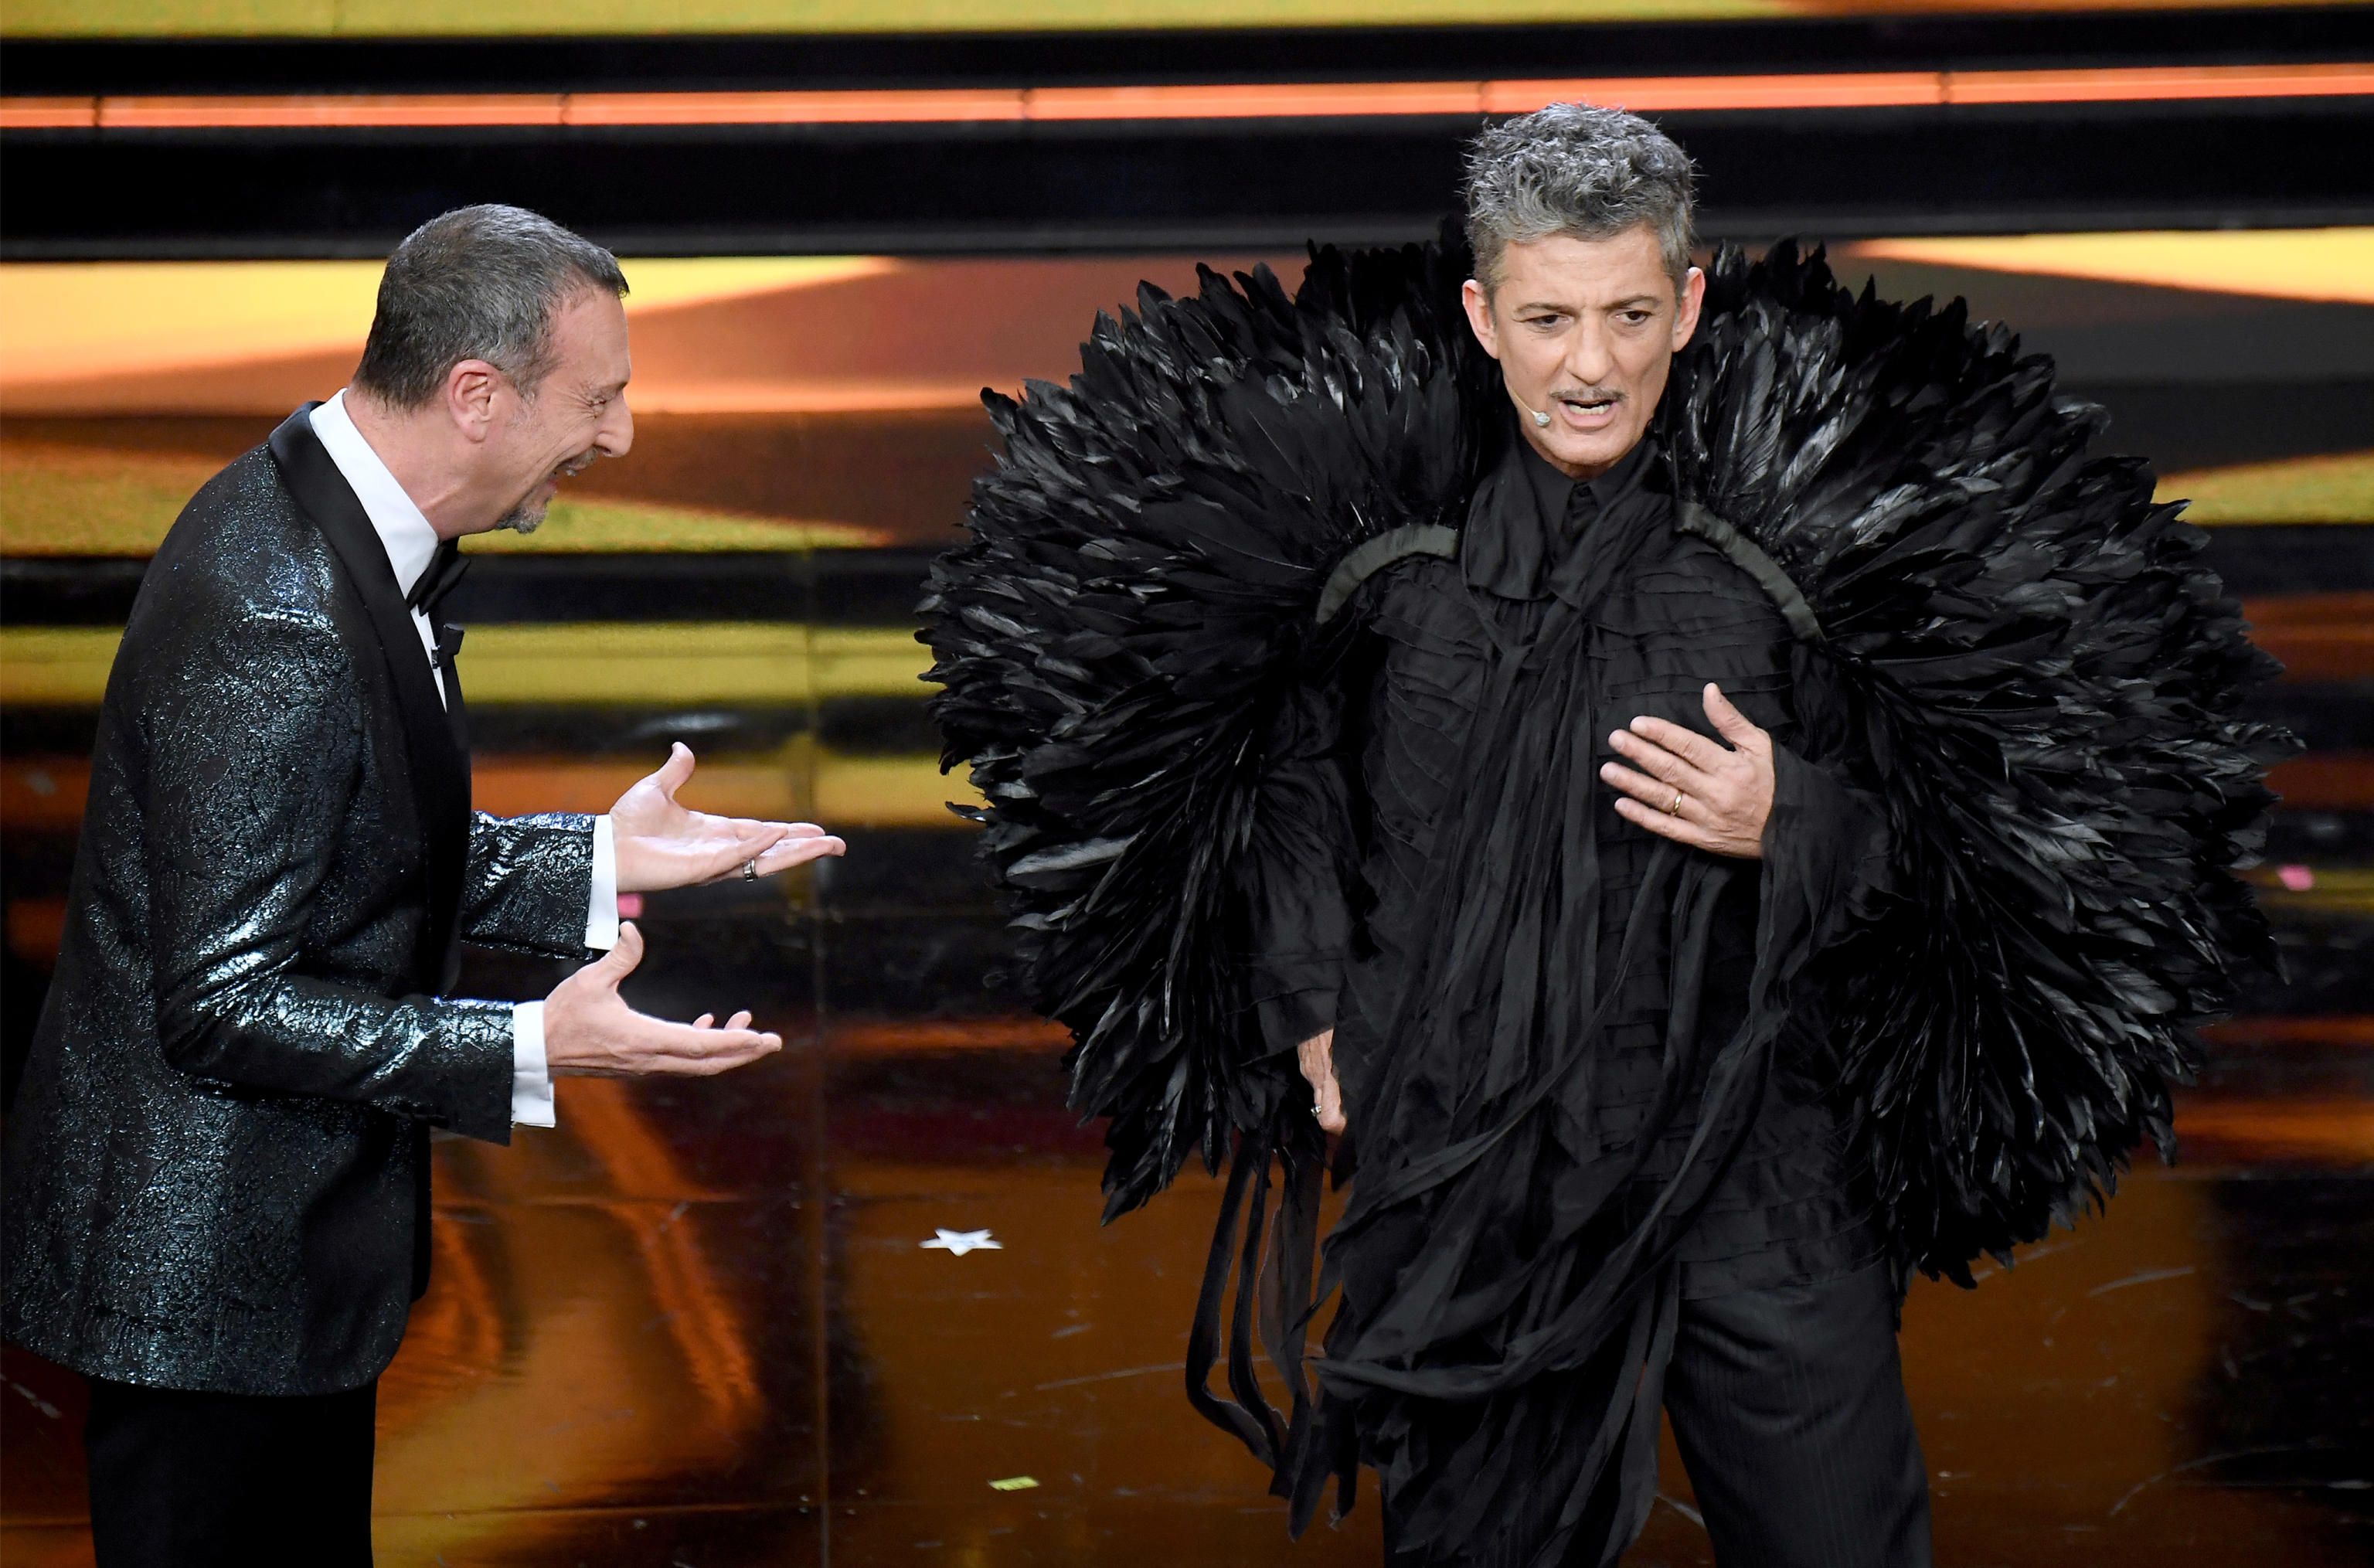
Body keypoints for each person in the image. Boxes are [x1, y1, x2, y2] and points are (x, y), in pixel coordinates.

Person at [922, 105, 2287, 1567]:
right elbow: (1282, 763)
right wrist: (1312, 998)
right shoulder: (1389, 563)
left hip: (1759, 1165)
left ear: (1688, 305)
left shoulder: (1804, 564)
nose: (1591, 365)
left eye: (1630, 316)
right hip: (1475, 1170)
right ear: (1481, 316)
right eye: (1550, 319)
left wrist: (1797, 815)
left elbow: (2001, 838)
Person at [0, 204, 846, 1566]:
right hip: (206, 1296)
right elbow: (221, 1002)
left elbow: (348, 854)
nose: (623, 434)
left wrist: (601, 856)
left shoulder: (326, 519)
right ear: (476, 395)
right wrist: (529, 1043)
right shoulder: (277, 610)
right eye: (599, 398)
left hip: (269, 1277)